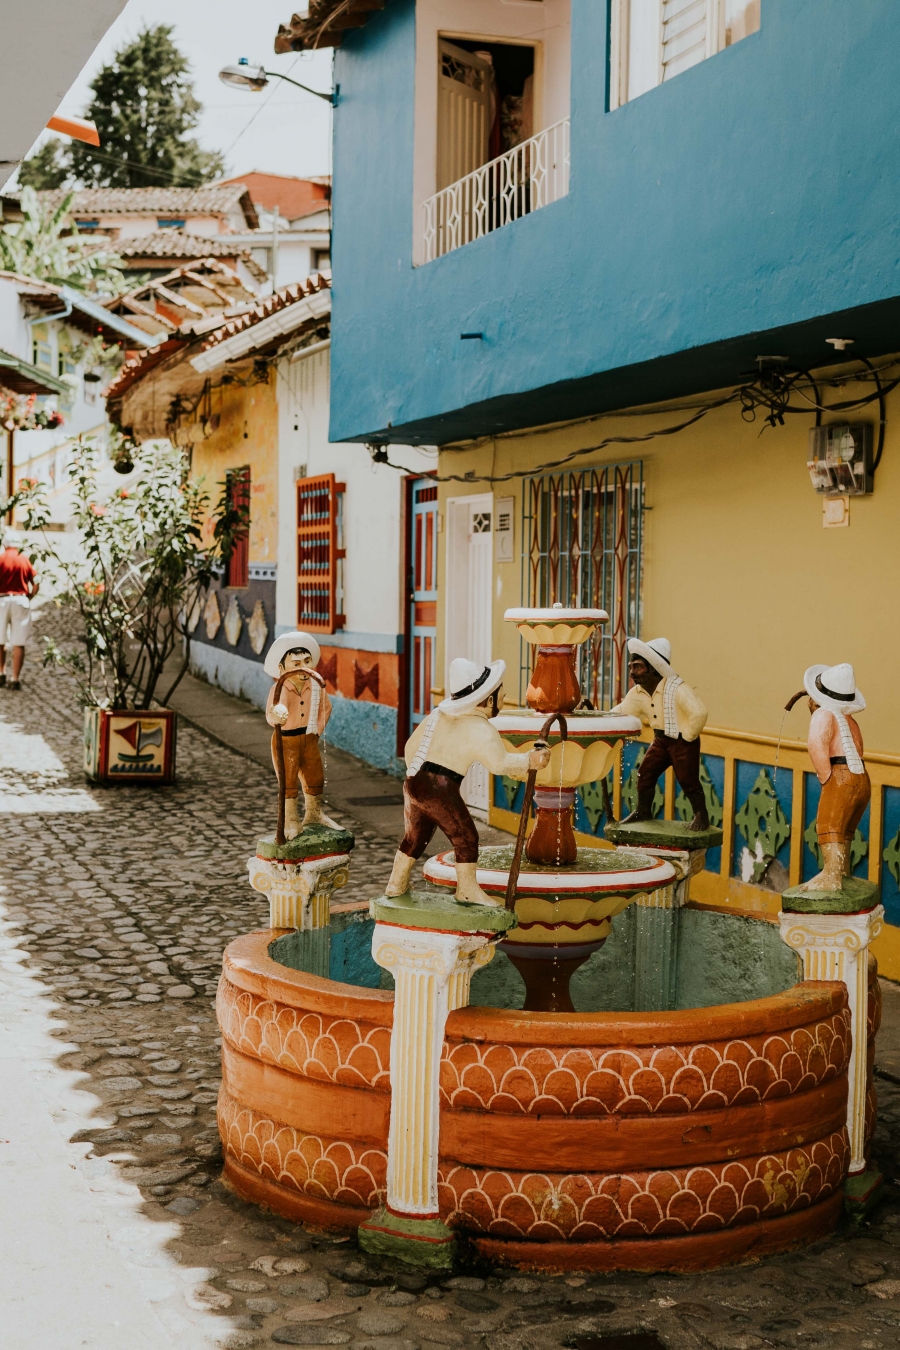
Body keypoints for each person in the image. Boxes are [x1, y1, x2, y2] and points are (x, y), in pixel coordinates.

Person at [385, 657, 551, 906]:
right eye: (500, 696)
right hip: (440, 786)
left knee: (415, 836)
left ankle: (395, 884)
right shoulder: (480, 728)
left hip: (413, 780)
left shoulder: (436, 716)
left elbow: (410, 747)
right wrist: (531, 760)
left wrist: (417, 776)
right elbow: (500, 764)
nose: (503, 700)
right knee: (466, 837)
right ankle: (466, 890)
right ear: (488, 700)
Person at [608, 637, 710, 831]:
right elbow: (622, 711)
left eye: (637, 667)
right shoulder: (637, 693)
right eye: (631, 667)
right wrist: (599, 718)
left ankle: (701, 815)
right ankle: (643, 810)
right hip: (661, 740)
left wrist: (687, 737)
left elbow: (699, 713)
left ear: (654, 668)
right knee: (645, 774)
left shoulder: (678, 689)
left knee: (688, 780)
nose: (632, 673)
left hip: (682, 742)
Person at [800, 662, 870, 892]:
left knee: (828, 825)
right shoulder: (850, 721)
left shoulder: (823, 714)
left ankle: (831, 875)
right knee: (845, 829)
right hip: (861, 777)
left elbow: (816, 744)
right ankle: (842, 871)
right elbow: (859, 748)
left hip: (841, 773)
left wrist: (826, 777)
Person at [264, 631, 336, 839]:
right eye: (296, 663)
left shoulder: (315, 687)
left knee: (314, 775)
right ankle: (291, 820)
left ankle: (314, 813)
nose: (303, 667)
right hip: (286, 740)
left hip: (309, 738)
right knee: (288, 780)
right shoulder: (280, 689)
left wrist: (317, 731)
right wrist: (277, 715)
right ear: (282, 668)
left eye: (306, 661)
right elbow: (273, 713)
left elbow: (326, 708)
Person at [0, 529, 38, 691]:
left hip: (1, 599)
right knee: (19, 642)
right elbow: (36, 583)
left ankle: (1, 672)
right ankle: (15, 678)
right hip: (21, 600)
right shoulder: (25, 560)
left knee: (0, 640)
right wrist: (29, 596)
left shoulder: (0, 559)